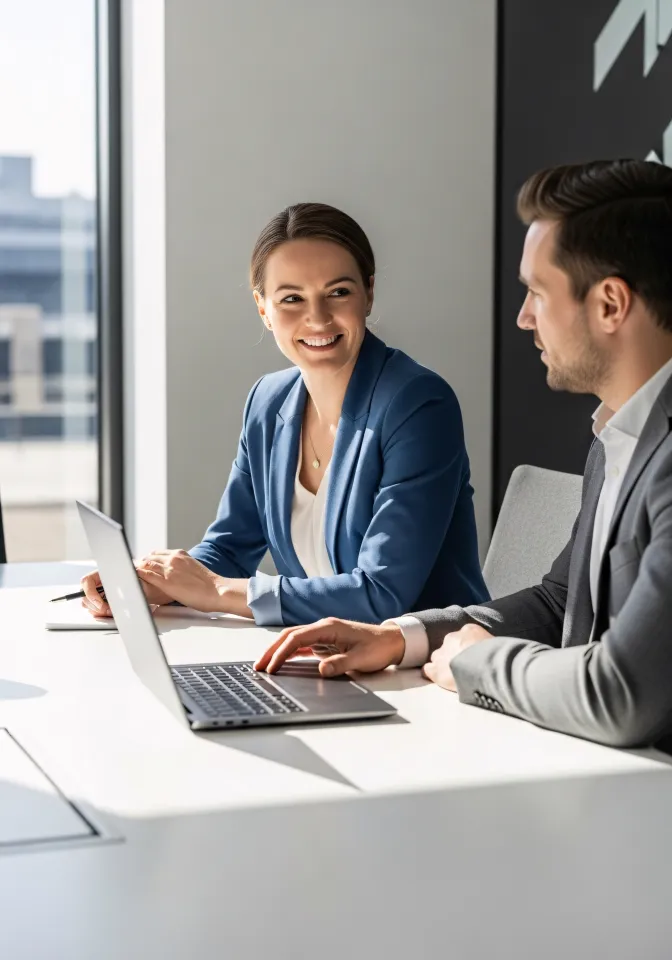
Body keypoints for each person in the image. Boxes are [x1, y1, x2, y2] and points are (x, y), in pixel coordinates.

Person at [255, 160, 672, 752]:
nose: (524, 317)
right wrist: (400, 638)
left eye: (537, 292)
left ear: (609, 304)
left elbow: (621, 694)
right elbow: (560, 601)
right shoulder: (619, 436)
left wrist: (482, 664)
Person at [82, 202, 488, 626]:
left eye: (338, 292)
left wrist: (215, 591)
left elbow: (381, 593)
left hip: (426, 667)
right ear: (263, 308)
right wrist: (149, 584)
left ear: (368, 293)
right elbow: (227, 551)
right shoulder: (268, 400)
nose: (317, 318)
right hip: (319, 659)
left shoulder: (418, 404)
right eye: (292, 298)